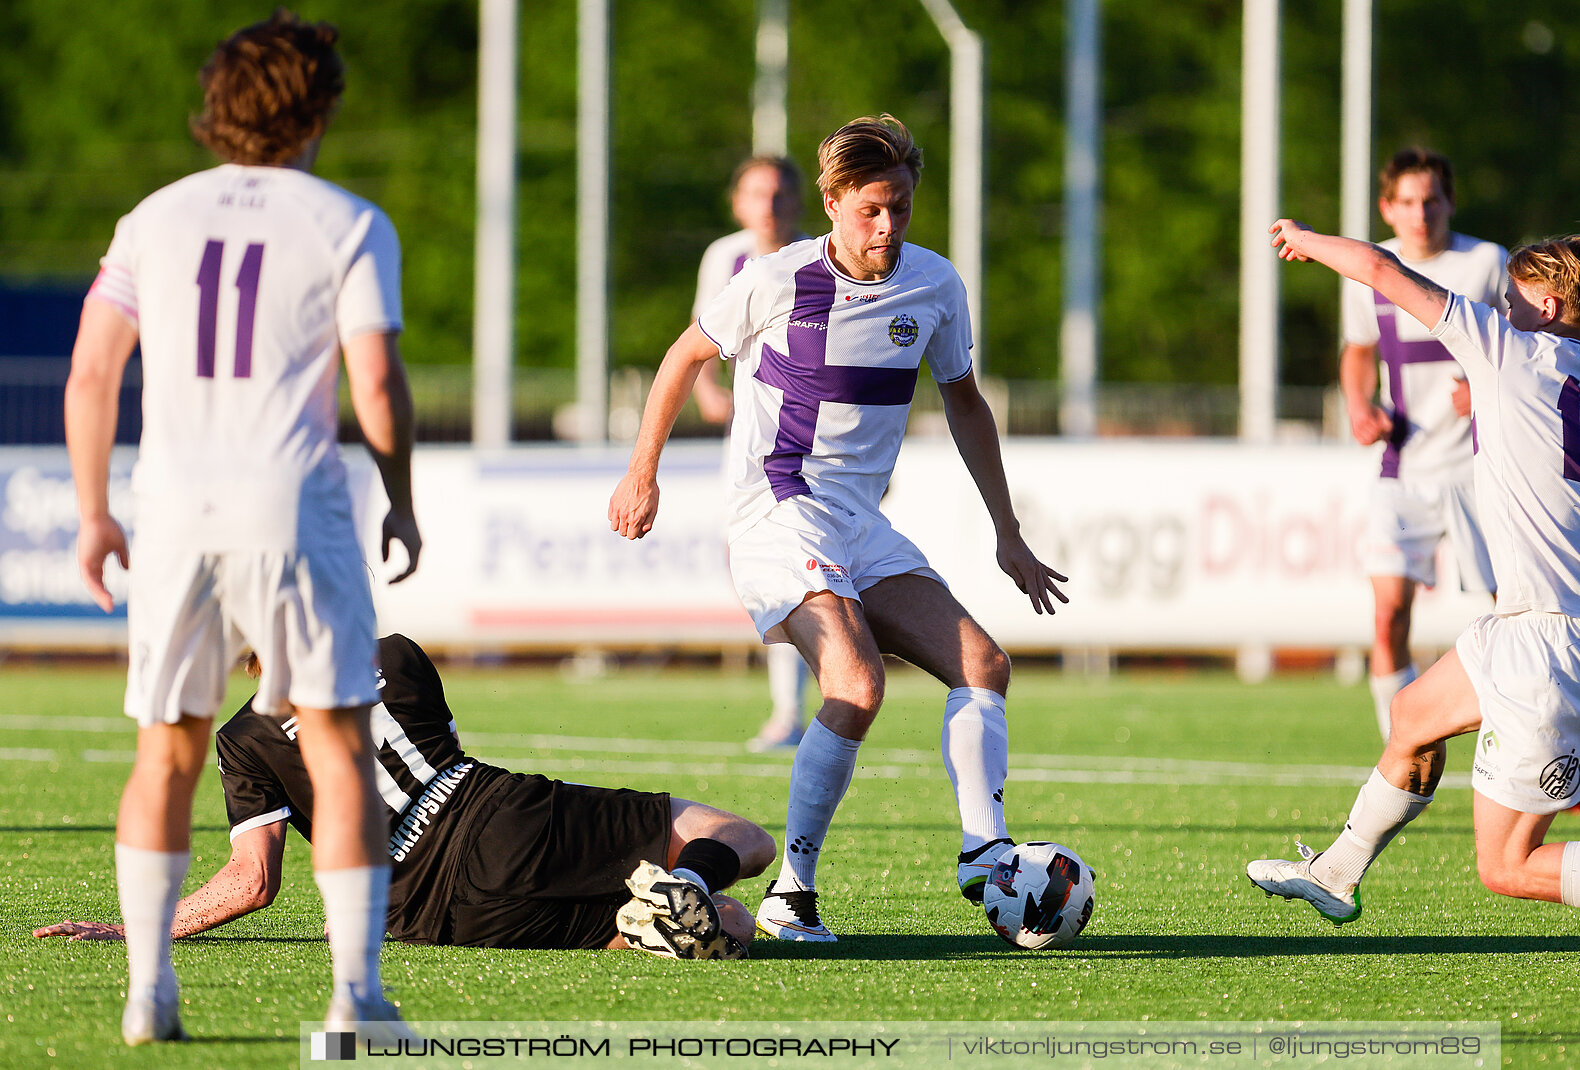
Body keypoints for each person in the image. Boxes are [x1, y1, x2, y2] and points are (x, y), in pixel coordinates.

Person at [1248, 219, 1580, 975]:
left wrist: (1302, 237)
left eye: (1516, 294)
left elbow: (1376, 267)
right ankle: (1336, 871)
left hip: (1554, 642)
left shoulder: (1505, 352)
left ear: (1555, 306)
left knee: (1505, 865)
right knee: (1411, 719)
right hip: (1531, 624)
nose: (1502, 305)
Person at [609, 114, 1068, 943]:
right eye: (871, 210)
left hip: (860, 521)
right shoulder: (774, 279)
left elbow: (965, 402)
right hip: (777, 511)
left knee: (983, 665)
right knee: (856, 685)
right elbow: (682, 359)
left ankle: (981, 853)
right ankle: (793, 891)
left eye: (900, 209)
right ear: (831, 203)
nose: (887, 227)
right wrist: (642, 472)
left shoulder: (934, 286)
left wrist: (1008, 530)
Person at [62, 11, 421, 1043]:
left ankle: (148, 990)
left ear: (215, 108)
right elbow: (380, 387)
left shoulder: (152, 218)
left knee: (163, 751)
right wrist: (398, 491)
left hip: (175, 504)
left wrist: (94, 512)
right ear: (321, 108)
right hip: (291, 499)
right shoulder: (350, 219)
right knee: (341, 746)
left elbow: (92, 370)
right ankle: (355, 995)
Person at [35, 635, 774, 959]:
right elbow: (440, 761)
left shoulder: (244, 737)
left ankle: (650, 920)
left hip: (423, 912)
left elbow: (253, 882)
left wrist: (143, 928)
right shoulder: (393, 653)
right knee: (740, 839)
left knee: (727, 927)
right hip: (495, 818)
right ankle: (683, 886)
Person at [1341, 149, 1504, 740]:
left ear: (1450, 202)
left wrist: (1488, 388)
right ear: (1387, 207)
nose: (1420, 213)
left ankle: (1537, 749)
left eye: (1431, 200)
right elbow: (1358, 352)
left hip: (1478, 470)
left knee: (1512, 616)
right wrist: (1360, 407)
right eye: (1406, 202)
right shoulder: (1371, 269)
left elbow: (1523, 349)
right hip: (1402, 469)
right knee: (1387, 620)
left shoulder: (1486, 263)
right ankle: (1401, 760)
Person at [689, 156, 818, 752]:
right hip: (748, 444)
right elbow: (703, 333)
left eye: (779, 194)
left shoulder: (821, 254)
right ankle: (793, 707)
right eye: (756, 194)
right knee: (765, 567)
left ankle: (808, 704)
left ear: (799, 200)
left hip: (810, 440)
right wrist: (709, 391)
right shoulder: (727, 256)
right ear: (738, 202)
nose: (769, 206)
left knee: (804, 565)